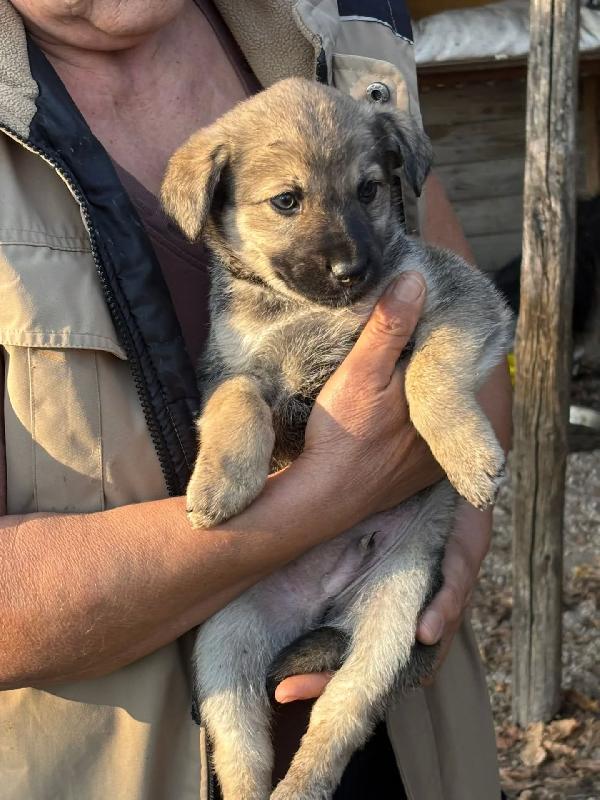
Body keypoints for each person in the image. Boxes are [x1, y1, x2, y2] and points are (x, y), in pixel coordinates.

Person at [0, 1, 511, 798]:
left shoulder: (343, 25)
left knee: (366, 671)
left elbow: (464, 305)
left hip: (410, 740)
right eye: (287, 203)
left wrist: (462, 541)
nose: (345, 259)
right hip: (120, 760)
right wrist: (319, 498)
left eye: (363, 195)